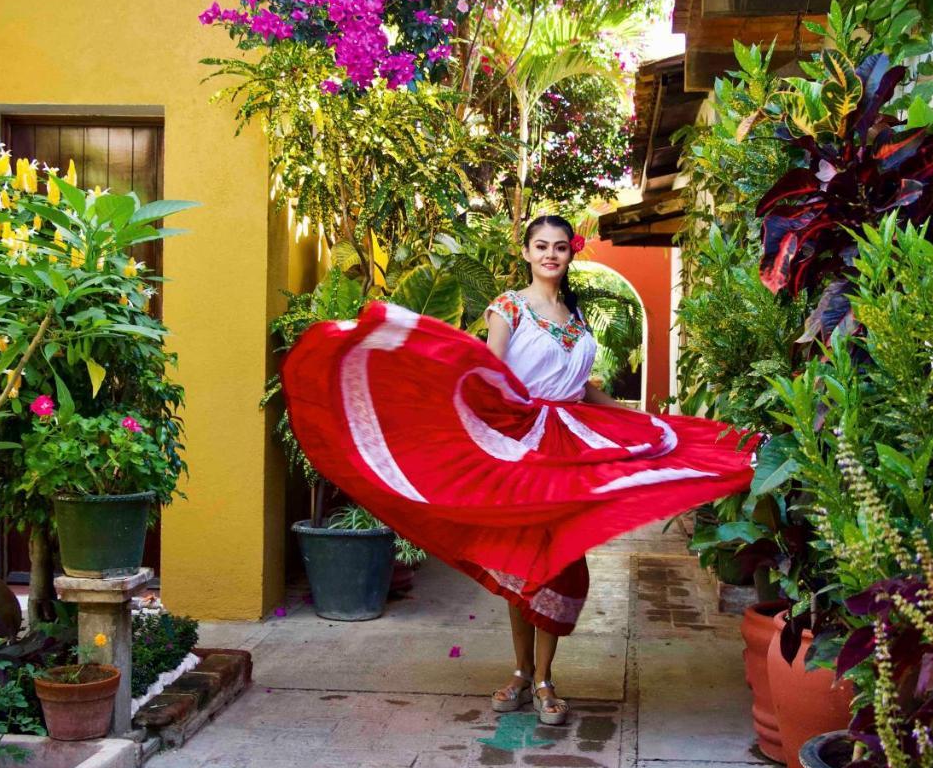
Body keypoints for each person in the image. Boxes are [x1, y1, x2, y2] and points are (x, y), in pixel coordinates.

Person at [279, 214, 757, 726]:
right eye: (540, 246)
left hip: (574, 444)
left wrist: (640, 420)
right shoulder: (507, 307)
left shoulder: (575, 318)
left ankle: (546, 677)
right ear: (526, 253)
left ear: (571, 254)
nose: (550, 255)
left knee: (562, 556)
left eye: (559, 247)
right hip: (522, 444)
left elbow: (584, 389)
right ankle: (522, 671)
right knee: (526, 558)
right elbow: (488, 374)